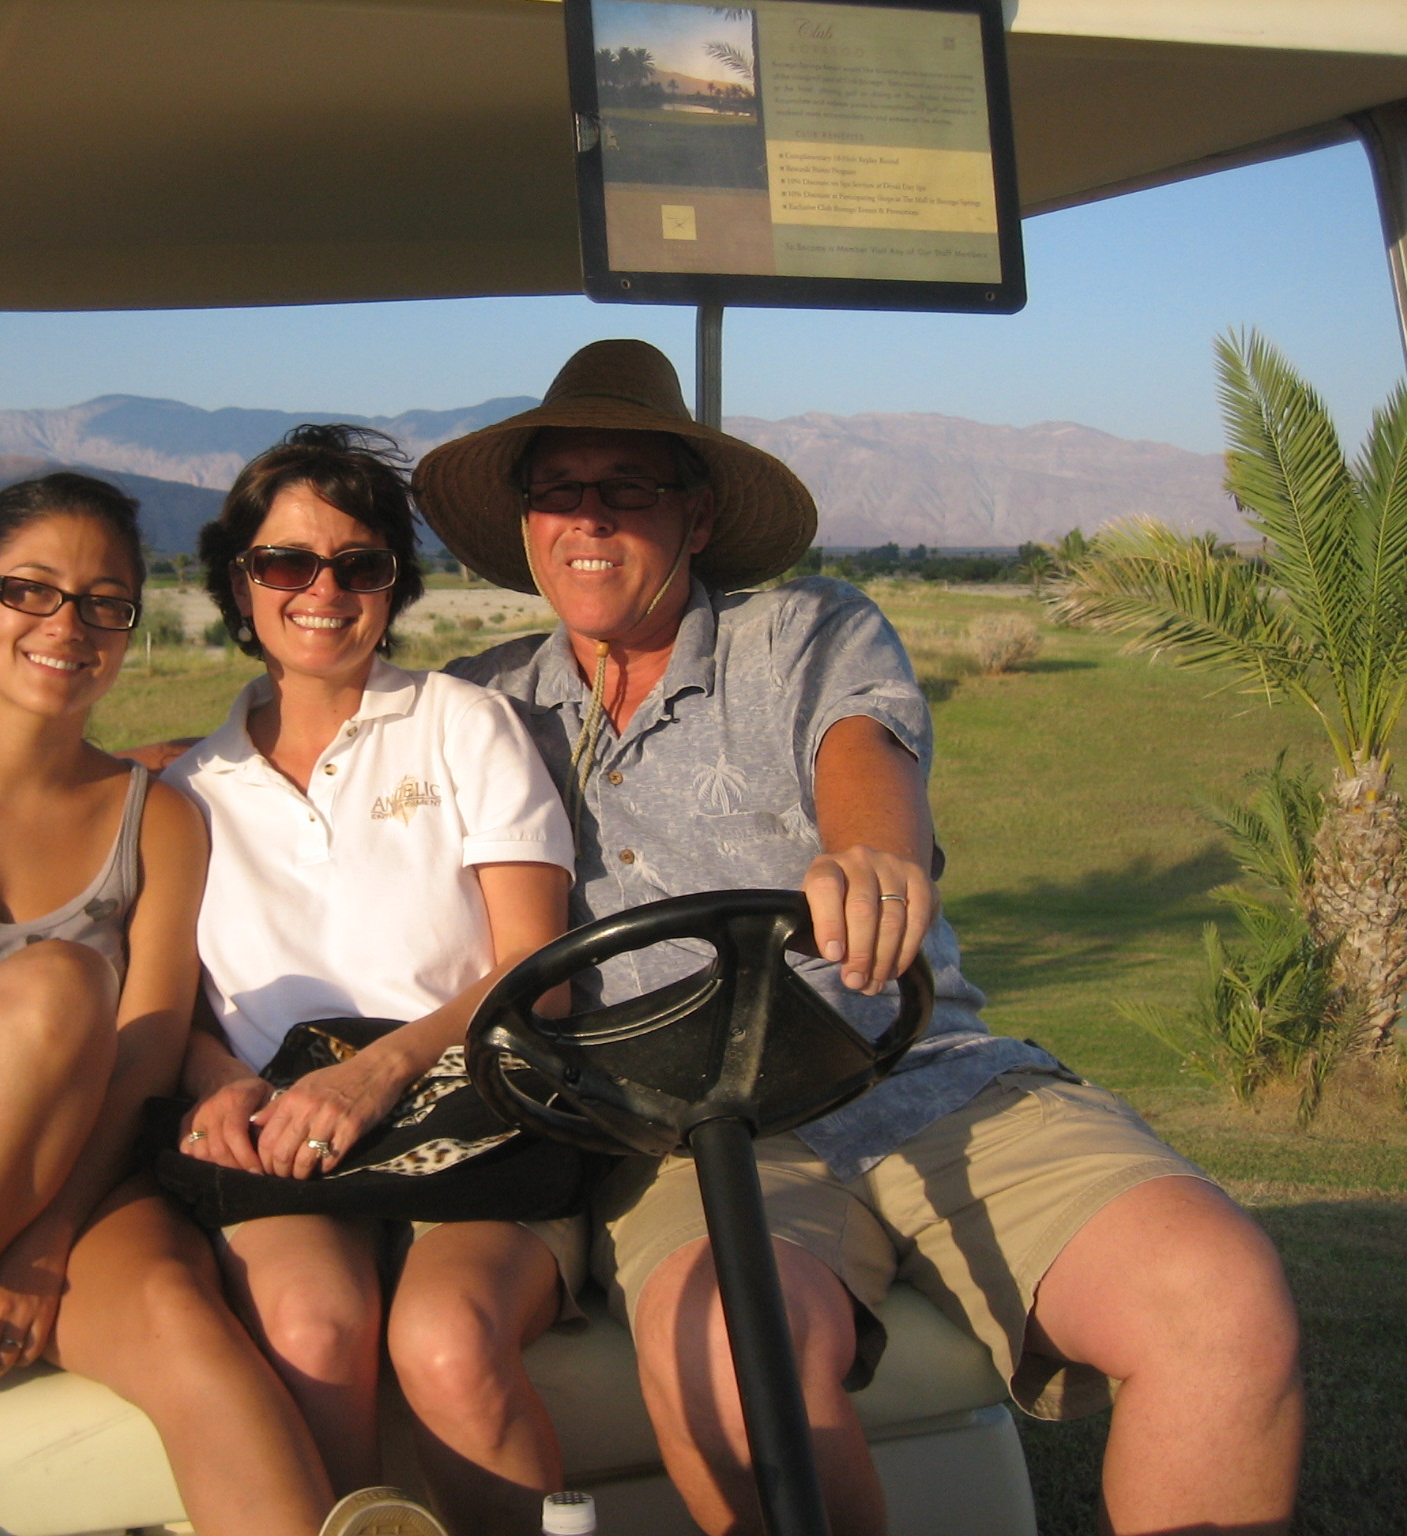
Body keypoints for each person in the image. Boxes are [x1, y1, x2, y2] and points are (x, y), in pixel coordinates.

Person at [412, 340, 1303, 1536]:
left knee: (1221, 1303)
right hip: (691, 1135)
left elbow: (863, 758)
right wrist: (148, 773)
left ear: (696, 512)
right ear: (523, 524)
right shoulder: (478, 709)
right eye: (556, 489)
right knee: (741, 1369)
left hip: (917, 1072)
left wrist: (871, 851)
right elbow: (304, 741)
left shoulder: (806, 633)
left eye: (626, 486)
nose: (588, 517)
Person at [0, 472, 393, 1536]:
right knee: (62, 983)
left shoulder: (155, 821)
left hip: (80, 1182)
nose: (68, 624)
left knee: (191, 1335)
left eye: (104, 602)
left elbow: (147, 1061)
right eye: (31, 592)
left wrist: (47, 1242)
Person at [162, 425, 580, 1536]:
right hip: (282, 1124)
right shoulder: (190, 788)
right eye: (286, 564)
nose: (323, 590)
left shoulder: (462, 727)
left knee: (444, 1339)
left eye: (359, 564)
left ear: (392, 585)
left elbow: (537, 977)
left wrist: (376, 1074)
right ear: (237, 582)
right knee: (309, 1324)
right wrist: (221, 1085)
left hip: (472, 1097)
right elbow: (183, 1012)